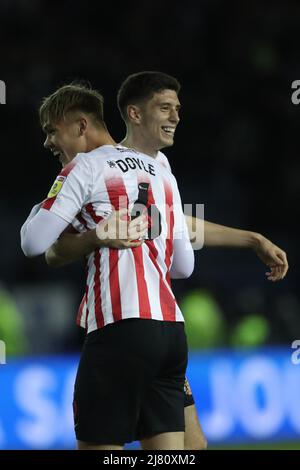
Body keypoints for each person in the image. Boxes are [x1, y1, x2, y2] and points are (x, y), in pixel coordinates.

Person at [44, 72, 289, 450]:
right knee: (192, 446)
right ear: (135, 114)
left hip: (135, 327)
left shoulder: (151, 169)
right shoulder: (116, 171)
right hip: (164, 330)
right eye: (165, 108)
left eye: (177, 109)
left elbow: (180, 225)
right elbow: (180, 232)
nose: (175, 116)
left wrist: (250, 238)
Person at [21, 82, 195, 450]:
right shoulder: (160, 166)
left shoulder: (85, 167)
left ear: (82, 126)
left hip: (119, 328)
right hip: (170, 332)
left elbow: (33, 242)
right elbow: (185, 264)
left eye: (52, 131)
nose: (48, 143)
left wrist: (53, 215)